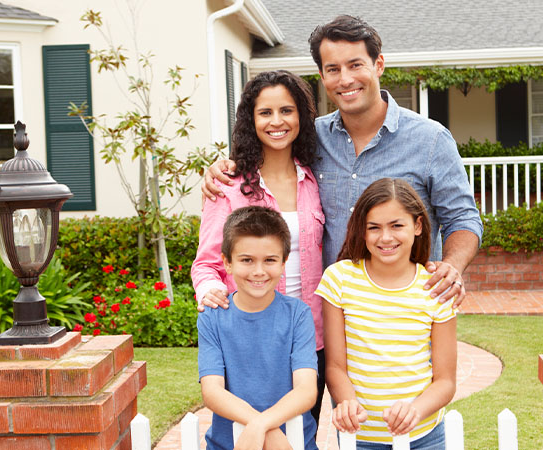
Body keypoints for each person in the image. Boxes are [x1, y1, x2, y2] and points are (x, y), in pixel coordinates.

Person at [202, 15, 482, 307]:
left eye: (355, 65)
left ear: (379, 65)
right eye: (333, 69)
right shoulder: (310, 138)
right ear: (322, 77)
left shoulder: (431, 140)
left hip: (405, 314)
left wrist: (452, 265)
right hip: (332, 315)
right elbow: (267, 158)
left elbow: (462, 217)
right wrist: (225, 168)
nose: (345, 79)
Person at [191, 70, 328, 423]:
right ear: (251, 120)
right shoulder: (228, 185)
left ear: (301, 116)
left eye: (287, 110)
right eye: (265, 112)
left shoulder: (316, 178)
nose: (277, 121)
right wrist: (211, 292)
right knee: (255, 432)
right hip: (252, 339)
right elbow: (206, 264)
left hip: (311, 335)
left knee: (300, 433)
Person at [316, 178, 457, 449]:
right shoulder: (339, 279)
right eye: (374, 228)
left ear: (417, 226)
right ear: (363, 231)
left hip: (424, 437)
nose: (386, 237)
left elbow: (446, 381)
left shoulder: (436, 288)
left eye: (396, 225)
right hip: (359, 438)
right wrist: (348, 403)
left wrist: (415, 410)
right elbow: (335, 366)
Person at [198, 206, 319, 450]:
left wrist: (261, 425)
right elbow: (212, 391)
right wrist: (260, 425)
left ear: (284, 263)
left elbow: (306, 390)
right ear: (227, 263)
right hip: (229, 444)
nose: (259, 271)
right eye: (247, 260)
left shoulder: (298, 314)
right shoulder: (212, 316)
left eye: (270, 260)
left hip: (292, 443)